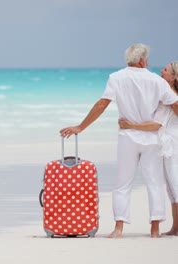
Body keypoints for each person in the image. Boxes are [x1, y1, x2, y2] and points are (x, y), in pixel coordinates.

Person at [60, 44, 178, 238]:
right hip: (152, 139)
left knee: (122, 183)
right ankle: (155, 230)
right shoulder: (157, 81)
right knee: (155, 183)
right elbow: (174, 104)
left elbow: (102, 104)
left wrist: (80, 127)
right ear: (143, 61)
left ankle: (118, 228)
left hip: (128, 138)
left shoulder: (116, 78)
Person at [118, 61, 178, 236]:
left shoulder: (171, 98)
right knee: (171, 187)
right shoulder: (168, 96)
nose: (161, 71)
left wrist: (130, 125)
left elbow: (156, 125)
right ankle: (176, 228)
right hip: (168, 144)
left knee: (174, 185)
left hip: (172, 145)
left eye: (165, 70)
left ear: (173, 77)